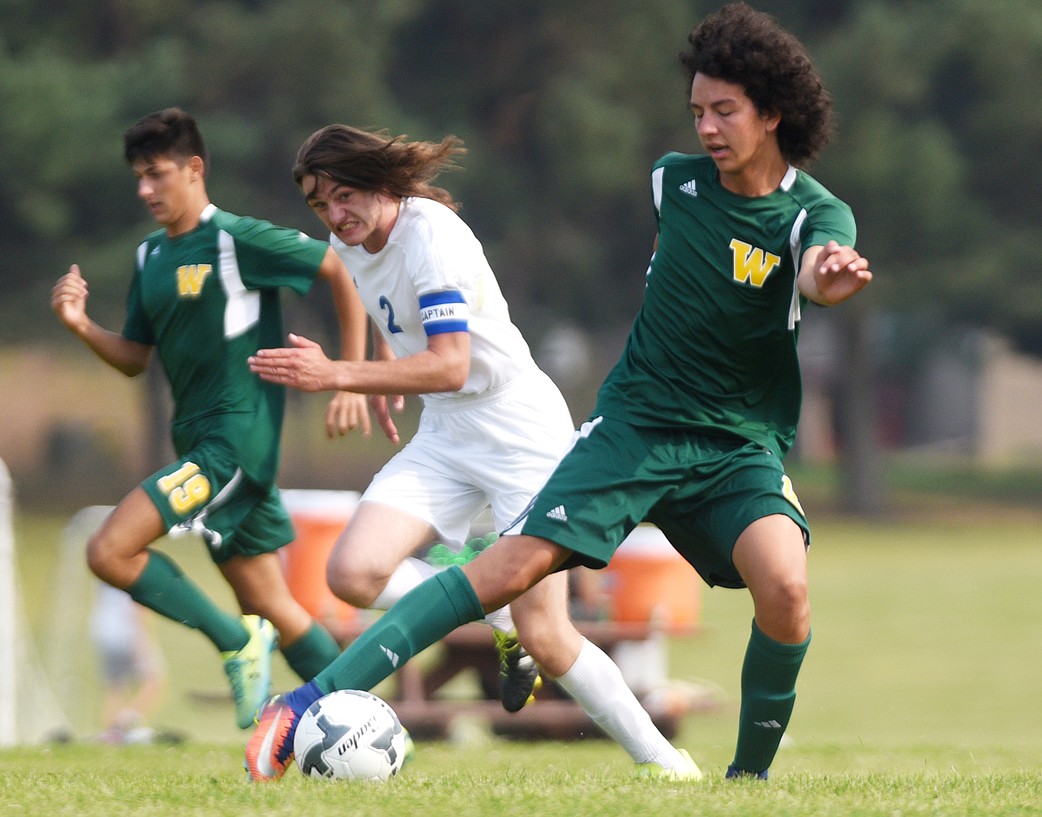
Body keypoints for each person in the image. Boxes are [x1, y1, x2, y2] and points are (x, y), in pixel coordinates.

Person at [245, 1, 873, 781]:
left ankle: (745, 783)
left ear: (773, 112)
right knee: (501, 574)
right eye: (698, 111)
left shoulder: (813, 213)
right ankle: (308, 702)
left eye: (725, 111)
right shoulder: (673, 183)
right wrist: (374, 355)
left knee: (784, 588)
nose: (706, 128)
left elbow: (819, 262)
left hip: (736, 440)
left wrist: (829, 276)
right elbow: (389, 291)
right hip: (636, 425)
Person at [246, 123, 699, 779]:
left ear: (380, 183)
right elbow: (379, 307)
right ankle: (492, 610)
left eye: (345, 196)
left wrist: (342, 373)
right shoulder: (349, 244)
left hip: (519, 432)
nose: (334, 215)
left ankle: (664, 764)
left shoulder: (429, 233)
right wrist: (378, 366)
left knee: (547, 632)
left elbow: (452, 363)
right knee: (351, 573)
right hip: (445, 432)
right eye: (321, 205)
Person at [51, 107, 370, 730]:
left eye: (156, 174)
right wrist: (81, 326)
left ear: (194, 169)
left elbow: (336, 268)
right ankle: (371, 723)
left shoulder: (234, 239)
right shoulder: (149, 260)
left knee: (109, 550)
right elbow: (135, 360)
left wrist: (348, 375)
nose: (145, 190)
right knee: (272, 602)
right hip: (200, 442)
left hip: (233, 446)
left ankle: (234, 641)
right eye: (138, 178)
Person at [90, 582, 166, 744]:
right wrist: (143, 637)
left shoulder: (102, 568)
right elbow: (136, 604)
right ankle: (123, 729)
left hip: (103, 632)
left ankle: (110, 735)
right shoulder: (129, 567)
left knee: (116, 687)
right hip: (129, 632)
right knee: (153, 681)